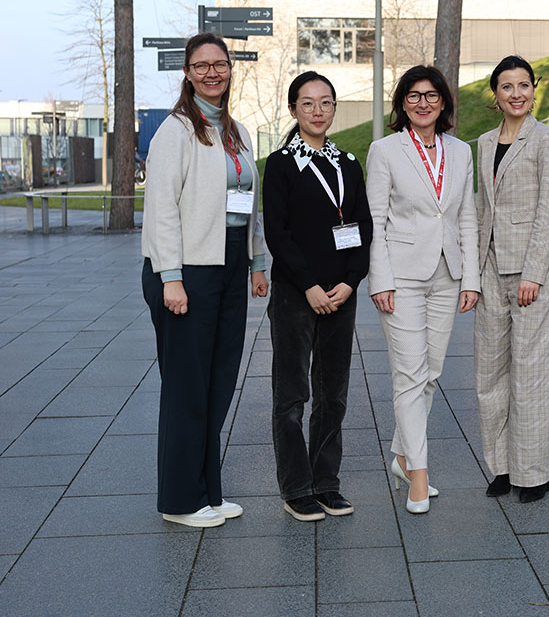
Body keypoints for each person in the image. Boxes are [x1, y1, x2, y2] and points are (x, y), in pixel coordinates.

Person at [141, 32, 269, 528]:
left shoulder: (235, 130)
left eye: (220, 64)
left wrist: (257, 263)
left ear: (231, 69)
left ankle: (207, 492)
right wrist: (170, 277)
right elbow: (162, 210)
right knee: (187, 387)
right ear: (188, 72)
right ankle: (179, 501)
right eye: (202, 65)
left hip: (230, 264)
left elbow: (247, 203)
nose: (212, 72)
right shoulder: (176, 131)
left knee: (218, 383)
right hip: (187, 271)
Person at [367, 64, 480, 514]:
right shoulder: (385, 150)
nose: (423, 103)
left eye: (431, 95)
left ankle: (401, 455)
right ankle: (419, 474)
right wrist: (380, 279)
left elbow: (465, 216)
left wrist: (470, 277)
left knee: (430, 372)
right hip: (403, 276)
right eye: (413, 95)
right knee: (409, 375)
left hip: (447, 276)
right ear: (402, 103)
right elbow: (375, 219)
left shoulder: (460, 152)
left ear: (443, 103)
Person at [263, 72, 372, 522]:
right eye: (307, 104)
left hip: (341, 293)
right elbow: (278, 234)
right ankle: (296, 486)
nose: (317, 111)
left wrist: (351, 281)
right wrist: (309, 285)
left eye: (325, 103)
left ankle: (326, 482)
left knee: (334, 394)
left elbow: (362, 227)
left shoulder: (347, 162)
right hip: (296, 293)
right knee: (292, 395)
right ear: (293, 110)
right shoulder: (282, 164)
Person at [473, 55, 549, 504]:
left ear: (534, 90)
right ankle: (501, 468)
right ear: (496, 94)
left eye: (524, 85)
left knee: (530, 374)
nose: (516, 94)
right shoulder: (484, 143)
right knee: (490, 376)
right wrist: (472, 273)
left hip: (533, 275)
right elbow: (481, 210)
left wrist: (533, 273)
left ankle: (533, 474)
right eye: (507, 86)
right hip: (490, 270)